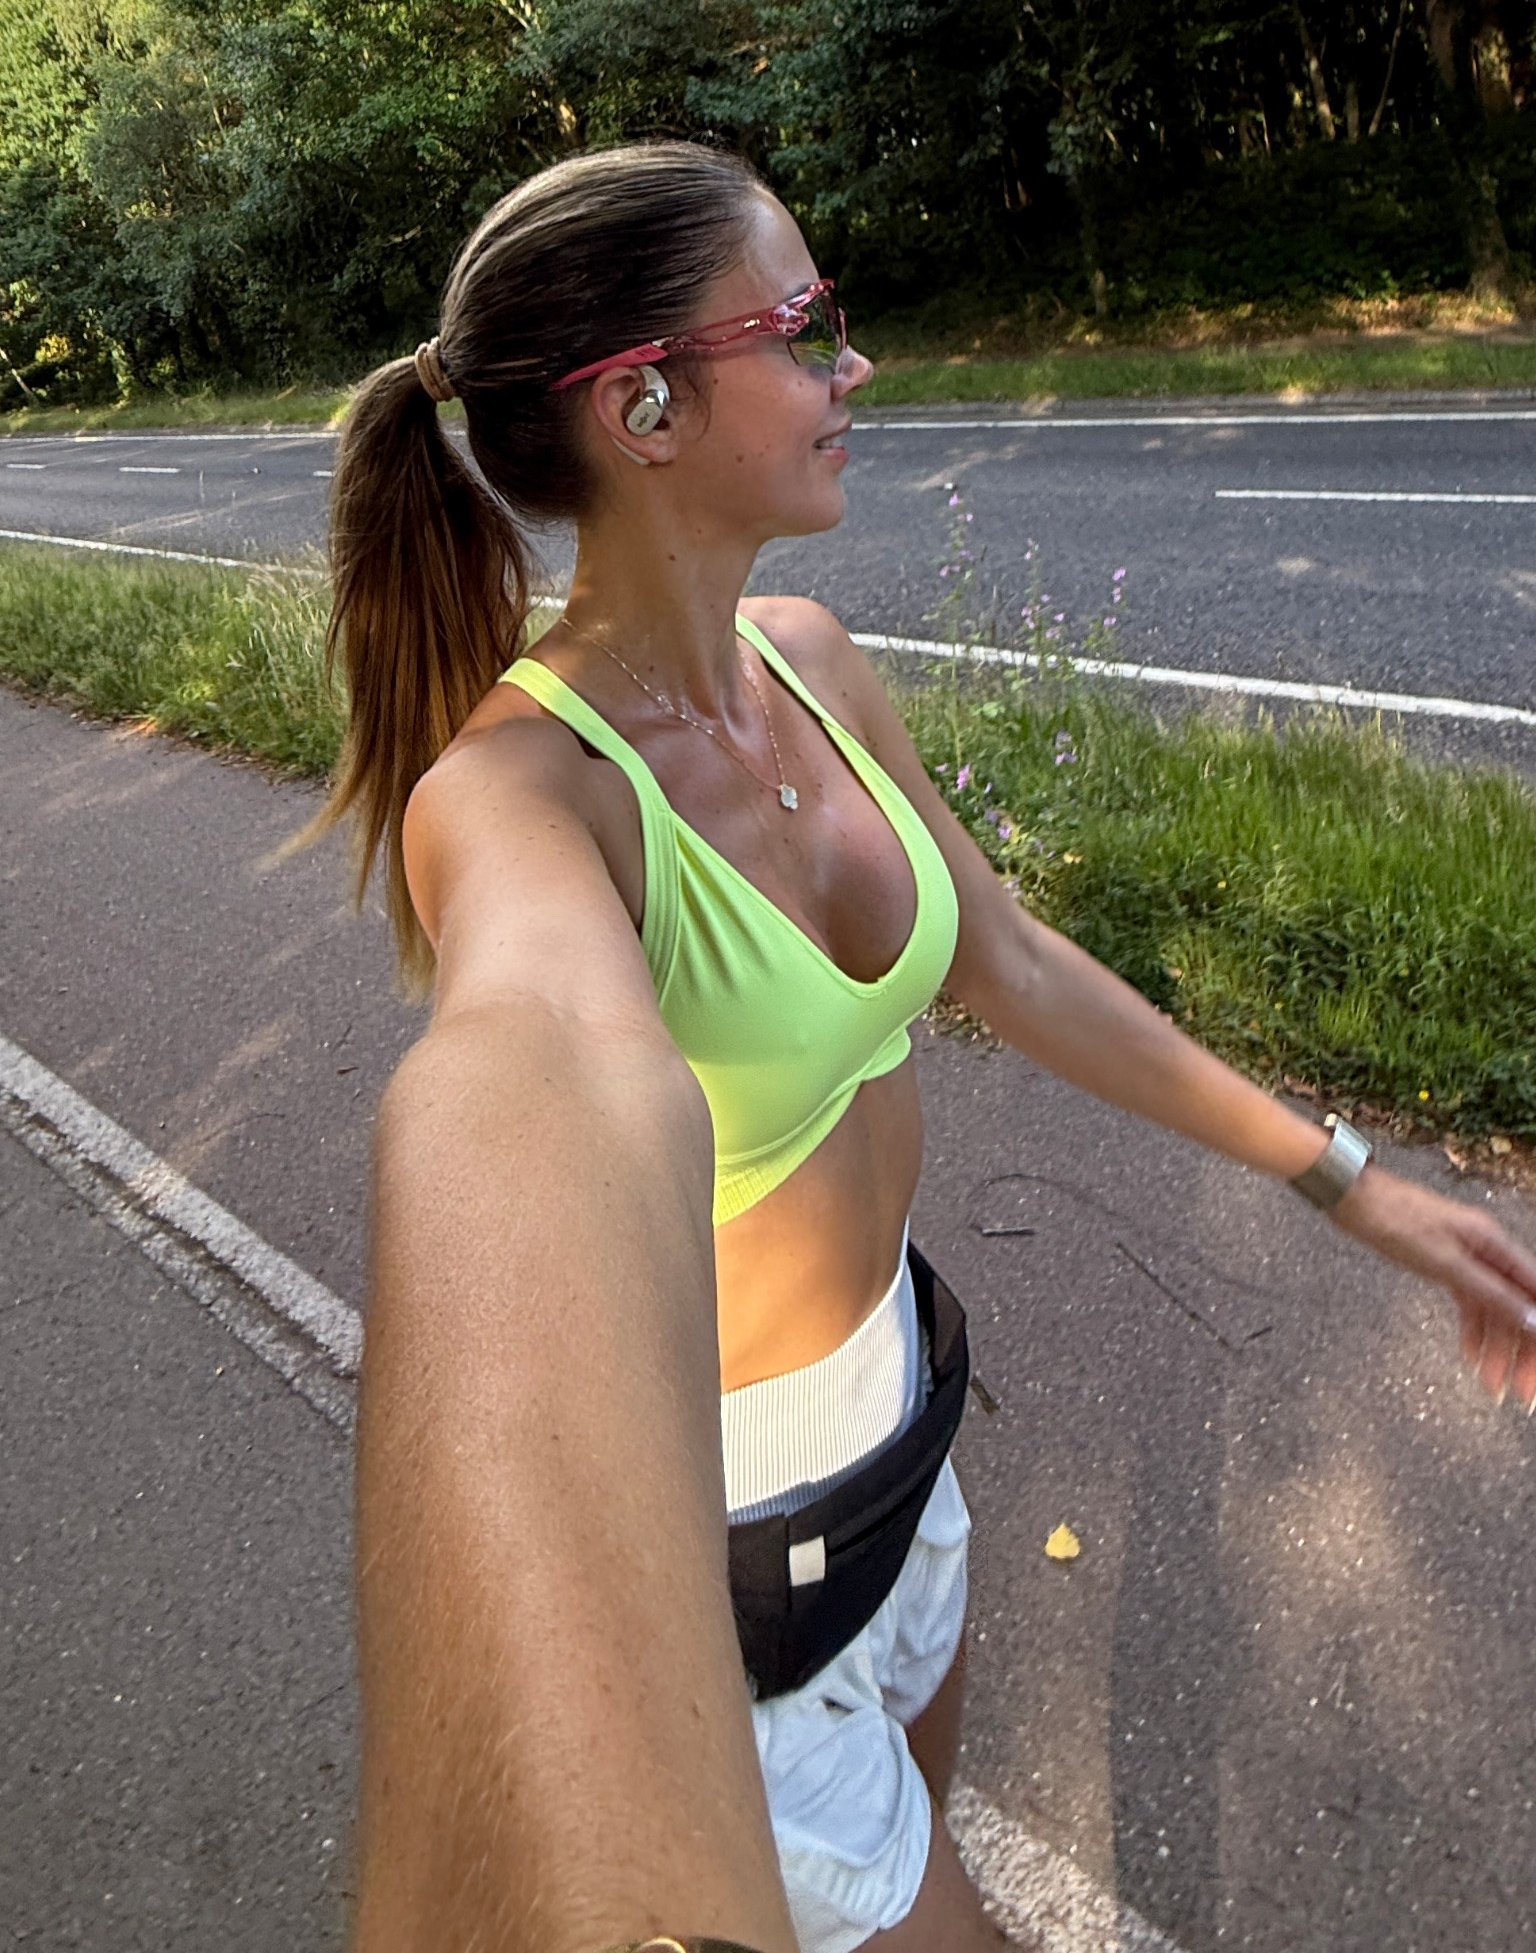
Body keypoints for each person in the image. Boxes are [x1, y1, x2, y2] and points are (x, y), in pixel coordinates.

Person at [321, 141, 1536, 1953]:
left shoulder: (807, 655)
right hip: (727, 1563)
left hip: (902, 1442)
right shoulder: (515, 800)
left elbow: (1016, 961)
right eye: (806, 325)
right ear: (643, 405)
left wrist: (1347, 1184)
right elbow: (524, 1075)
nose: (855, 365)